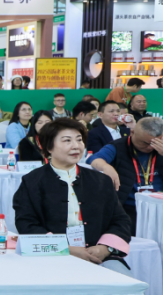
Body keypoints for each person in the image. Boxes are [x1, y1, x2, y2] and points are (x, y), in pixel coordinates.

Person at [14, 118, 132, 272]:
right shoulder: (32, 181)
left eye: (79, 140)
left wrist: (105, 248)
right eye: (67, 141)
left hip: (98, 254)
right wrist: (67, 249)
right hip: (51, 254)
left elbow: (120, 220)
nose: (76, 146)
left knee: (123, 282)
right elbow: (26, 223)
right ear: (48, 147)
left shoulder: (100, 180)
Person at [88, 117, 163, 229]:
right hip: (129, 207)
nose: (150, 147)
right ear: (132, 132)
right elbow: (94, 159)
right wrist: (105, 166)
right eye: (145, 143)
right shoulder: (118, 146)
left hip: (159, 206)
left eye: (155, 142)